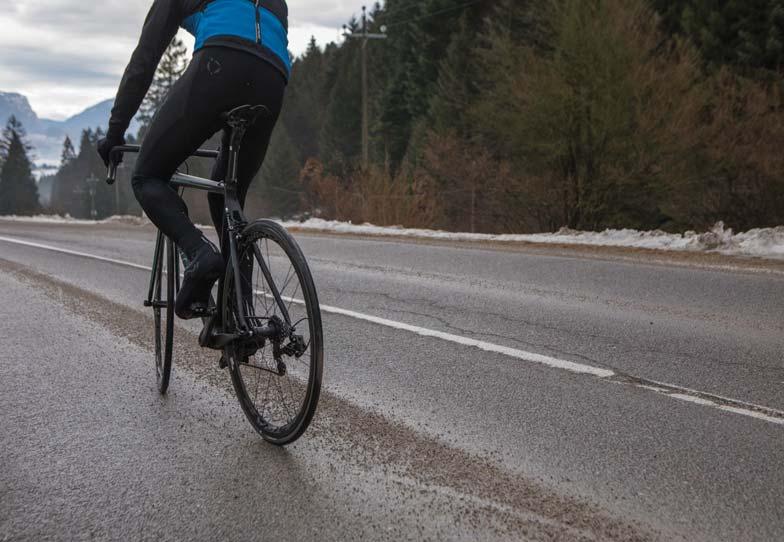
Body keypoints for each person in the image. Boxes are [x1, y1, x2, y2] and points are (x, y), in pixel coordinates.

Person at [97, 0, 290, 319]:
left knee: (148, 176)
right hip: (273, 78)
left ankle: (200, 253)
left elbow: (144, 62)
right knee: (228, 197)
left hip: (219, 62)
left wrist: (115, 131)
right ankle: (240, 315)